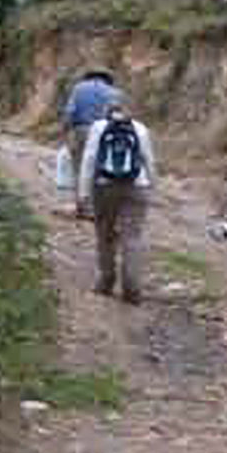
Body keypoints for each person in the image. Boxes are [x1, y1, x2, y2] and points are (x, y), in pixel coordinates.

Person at [77, 91, 156, 304]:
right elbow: (148, 160)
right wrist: (152, 187)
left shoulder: (98, 127)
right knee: (133, 237)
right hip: (136, 187)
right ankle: (132, 289)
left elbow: (90, 159)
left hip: (105, 187)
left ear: (107, 110)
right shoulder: (140, 129)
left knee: (105, 234)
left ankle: (106, 281)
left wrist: (83, 192)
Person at [63, 68, 117, 217]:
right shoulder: (113, 92)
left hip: (81, 130)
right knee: (102, 169)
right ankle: (101, 207)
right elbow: (117, 115)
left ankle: (83, 206)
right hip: (105, 132)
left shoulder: (78, 88)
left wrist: (66, 131)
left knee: (80, 168)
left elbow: (69, 112)